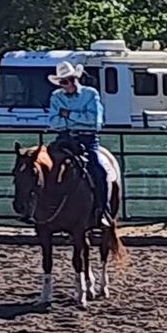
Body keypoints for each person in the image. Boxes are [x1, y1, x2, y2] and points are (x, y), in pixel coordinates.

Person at [47, 61, 110, 227]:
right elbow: (54, 122)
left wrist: (68, 115)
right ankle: (40, 208)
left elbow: (94, 121)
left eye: (69, 80)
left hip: (87, 139)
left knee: (98, 169)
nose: (67, 85)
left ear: (76, 78)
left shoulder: (90, 94)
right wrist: (78, 117)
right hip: (64, 139)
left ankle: (102, 210)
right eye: (63, 82)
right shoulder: (56, 97)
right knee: (41, 168)